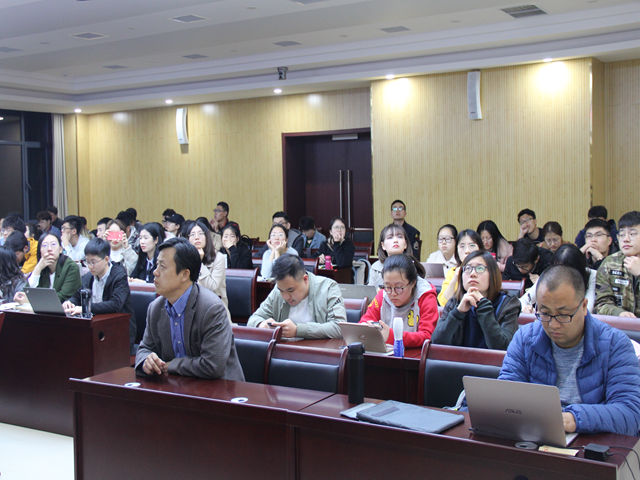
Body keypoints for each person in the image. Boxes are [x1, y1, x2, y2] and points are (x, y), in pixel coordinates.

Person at [499, 265, 640, 436]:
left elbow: (630, 414)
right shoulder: (525, 338)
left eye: (563, 315)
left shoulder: (614, 344)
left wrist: (573, 419)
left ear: (584, 306)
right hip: (536, 437)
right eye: (545, 313)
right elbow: (506, 396)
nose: (553, 324)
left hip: (591, 442)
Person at [135, 237, 244, 380]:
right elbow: (144, 349)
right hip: (177, 386)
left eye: (162, 266)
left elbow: (212, 365)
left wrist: (171, 365)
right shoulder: (155, 308)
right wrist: (147, 360)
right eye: (156, 265)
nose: (155, 272)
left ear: (185, 274)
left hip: (219, 388)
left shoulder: (211, 309)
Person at [432, 251, 521, 350]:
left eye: (480, 268)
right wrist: (458, 313)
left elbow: (503, 347)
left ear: (492, 274)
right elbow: (436, 342)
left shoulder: (508, 303)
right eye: (468, 269)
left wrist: (483, 306)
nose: (472, 274)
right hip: (458, 359)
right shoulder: (455, 302)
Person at [248, 254, 347, 338]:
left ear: (305, 279)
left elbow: (339, 328)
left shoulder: (328, 288)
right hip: (284, 351)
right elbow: (253, 319)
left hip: (319, 351)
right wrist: (261, 325)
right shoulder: (278, 290)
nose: (286, 297)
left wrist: (298, 330)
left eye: (290, 290)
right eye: (281, 291)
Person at [62, 238, 136, 350]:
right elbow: (76, 296)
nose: (90, 266)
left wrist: (85, 309)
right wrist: (70, 302)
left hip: (118, 331)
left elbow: (115, 304)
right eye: (87, 262)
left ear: (106, 259)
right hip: (95, 328)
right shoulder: (88, 277)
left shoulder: (119, 276)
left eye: (93, 262)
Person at [359, 254, 438, 348]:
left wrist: (391, 336)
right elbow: (365, 321)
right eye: (388, 287)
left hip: (416, 354)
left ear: (413, 283)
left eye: (399, 287)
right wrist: (365, 328)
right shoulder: (382, 295)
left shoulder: (425, 296)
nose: (393, 293)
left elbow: (427, 336)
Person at [521, 244, 597, 313]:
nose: (560, 274)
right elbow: (522, 301)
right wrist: (526, 308)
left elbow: (587, 310)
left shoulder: (591, 275)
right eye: (557, 269)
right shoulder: (549, 274)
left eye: (566, 271)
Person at [595, 210, 640, 318]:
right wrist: (618, 313)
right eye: (622, 235)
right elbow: (601, 304)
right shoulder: (609, 263)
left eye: (632, 234)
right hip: (620, 325)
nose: (626, 239)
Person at [16, 231, 81, 303]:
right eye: (44, 245)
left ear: (60, 249)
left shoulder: (71, 267)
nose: (49, 249)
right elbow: (27, 291)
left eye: (53, 244)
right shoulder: (41, 267)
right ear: (40, 251)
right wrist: (38, 268)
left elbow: (63, 297)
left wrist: (31, 300)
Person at [184, 220, 229, 313]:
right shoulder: (183, 259)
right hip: (190, 309)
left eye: (200, 234)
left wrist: (199, 262)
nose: (197, 237)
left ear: (207, 237)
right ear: (187, 239)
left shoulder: (219, 258)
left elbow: (212, 287)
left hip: (214, 310)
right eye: (192, 234)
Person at [437, 229, 483, 306]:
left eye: (472, 245)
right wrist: (455, 278)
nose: (467, 251)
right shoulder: (453, 272)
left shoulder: (486, 270)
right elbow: (443, 303)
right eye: (462, 246)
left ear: (480, 248)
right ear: (457, 250)